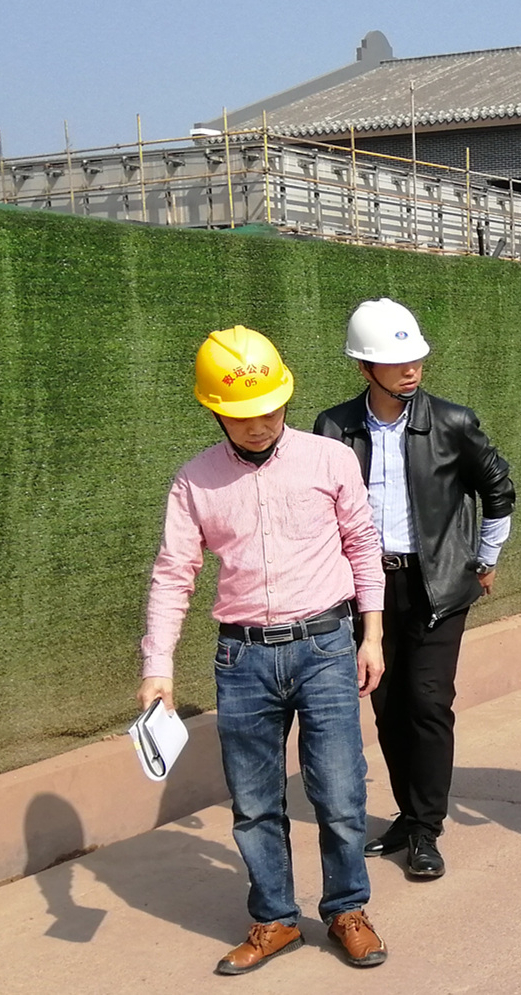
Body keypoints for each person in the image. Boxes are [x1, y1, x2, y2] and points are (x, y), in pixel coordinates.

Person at [138, 327, 390, 975]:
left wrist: (372, 634)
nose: (259, 424)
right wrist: (158, 667)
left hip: (326, 646)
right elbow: (173, 572)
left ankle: (347, 910)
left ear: (285, 396)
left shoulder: (329, 460)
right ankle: (275, 918)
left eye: (270, 408)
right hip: (242, 659)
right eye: (243, 414)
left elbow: (363, 545)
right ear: (214, 410)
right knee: (254, 803)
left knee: (340, 792)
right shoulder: (195, 481)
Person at [314, 298, 518, 880]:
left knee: (428, 703)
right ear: (364, 367)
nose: (411, 370)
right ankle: (408, 814)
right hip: (368, 590)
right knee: (388, 707)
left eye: (417, 359)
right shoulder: (334, 428)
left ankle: (427, 829)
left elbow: (498, 490)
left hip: (438, 588)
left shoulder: (452, 422)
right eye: (395, 361)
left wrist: (484, 558)